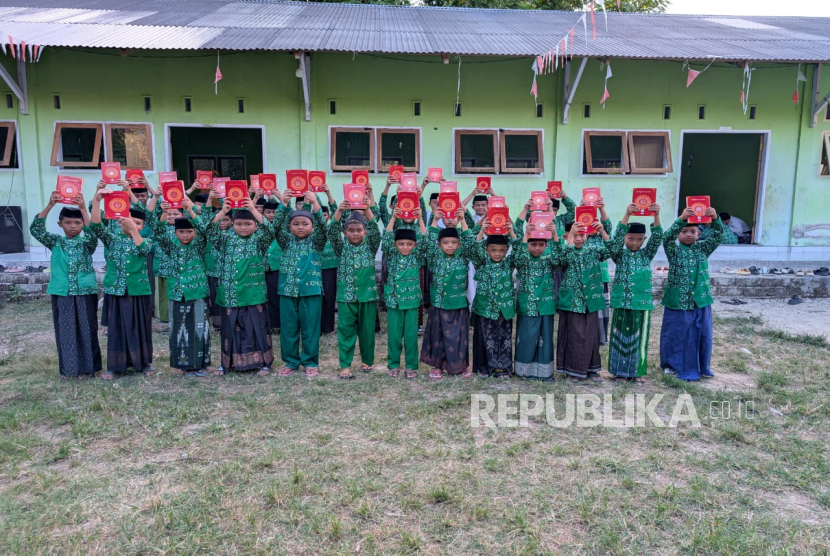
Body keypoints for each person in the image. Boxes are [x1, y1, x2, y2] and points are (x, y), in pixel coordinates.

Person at [30, 192, 101, 380]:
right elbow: (36, 230)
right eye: (68, 223)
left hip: (85, 290)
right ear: (60, 224)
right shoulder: (56, 241)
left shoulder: (87, 243)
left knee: (87, 330)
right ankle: (69, 370)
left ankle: (89, 369)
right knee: (66, 331)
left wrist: (84, 209)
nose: (73, 226)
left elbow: (94, 231)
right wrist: (50, 204)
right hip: (62, 291)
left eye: (77, 223)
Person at [90, 188, 155, 380]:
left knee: (141, 328)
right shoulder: (112, 239)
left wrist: (133, 230)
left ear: (142, 226)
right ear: (119, 222)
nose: (133, 224)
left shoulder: (147, 240)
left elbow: (143, 250)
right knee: (117, 329)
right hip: (116, 290)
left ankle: (144, 363)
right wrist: (96, 200)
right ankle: (115, 366)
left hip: (138, 290)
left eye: (138, 223)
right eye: (130, 221)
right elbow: (95, 226)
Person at [207, 197, 276, 376]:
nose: (243, 227)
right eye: (238, 223)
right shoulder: (225, 240)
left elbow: (270, 230)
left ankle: (264, 363)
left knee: (257, 327)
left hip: (253, 293)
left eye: (248, 224)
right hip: (230, 293)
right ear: (233, 224)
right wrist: (222, 212)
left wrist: (253, 210)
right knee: (229, 329)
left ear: (255, 226)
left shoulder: (258, 241)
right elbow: (209, 231)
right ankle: (226, 364)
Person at [660, 206, 724, 381]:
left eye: (693, 231)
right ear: (679, 234)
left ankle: (701, 366)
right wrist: (680, 219)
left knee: (701, 334)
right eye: (684, 231)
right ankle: (671, 365)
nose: (688, 234)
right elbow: (666, 238)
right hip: (678, 301)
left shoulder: (703, 249)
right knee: (675, 334)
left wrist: (715, 218)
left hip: (699, 300)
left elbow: (718, 235)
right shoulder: (673, 250)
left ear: (699, 234)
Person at [153, 197, 212, 377]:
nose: (185, 235)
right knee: (180, 328)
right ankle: (184, 364)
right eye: (181, 232)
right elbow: (159, 233)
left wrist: (191, 210)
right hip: (177, 292)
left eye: (189, 231)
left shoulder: (199, 245)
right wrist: (163, 213)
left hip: (197, 292)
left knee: (199, 328)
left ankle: (201, 364)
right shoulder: (170, 246)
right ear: (175, 233)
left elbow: (204, 230)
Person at [607, 203, 663, 382]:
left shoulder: (646, 254)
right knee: (618, 335)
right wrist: (626, 215)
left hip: (641, 302)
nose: (635, 243)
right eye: (630, 238)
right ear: (625, 238)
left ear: (644, 239)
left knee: (640, 337)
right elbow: (614, 241)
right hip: (621, 302)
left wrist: (656, 215)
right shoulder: (619, 254)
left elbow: (658, 237)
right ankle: (619, 371)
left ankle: (637, 372)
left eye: (639, 239)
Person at [275, 193, 327, 377]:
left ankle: (310, 361)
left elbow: (324, 228)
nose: (300, 227)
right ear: (289, 227)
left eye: (305, 224)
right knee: (288, 328)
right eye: (296, 224)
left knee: (310, 328)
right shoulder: (286, 241)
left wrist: (315, 203)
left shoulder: (317, 243)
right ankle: (291, 361)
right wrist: (284, 204)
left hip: (311, 291)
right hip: (287, 290)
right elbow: (276, 227)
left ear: (312, 227)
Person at [329, 199, 381, 379]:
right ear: (345, 233)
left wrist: (367, 209)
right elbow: (331, 232)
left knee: (367, 331)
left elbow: (376, 232)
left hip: (367, 295)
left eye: (359, 230)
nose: (355, 233)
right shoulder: (341, 247)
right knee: (346, 330)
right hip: (346, 296)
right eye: (351, 231)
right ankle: (345, 365)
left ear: (364, 232)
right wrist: (338, 211)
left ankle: (367, 360)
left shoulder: (370, 246)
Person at [421, 208, 473, 379]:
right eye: (445, 243)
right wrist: (435, 221)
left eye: (453, 242)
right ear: (439, 245)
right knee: (438, 336)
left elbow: (471, 243)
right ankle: (437, 366)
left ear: (459, 244)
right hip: (439, 304)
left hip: (458, 304)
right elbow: (428, 241)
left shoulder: (463, 256)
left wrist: (463, 220)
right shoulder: (435, 257)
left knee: (459, 337)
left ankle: (461, 366)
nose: (450, 246)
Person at [556, 221, 611, 381]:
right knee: (573, 335)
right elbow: (560, 260)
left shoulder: (593, 251)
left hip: (590, 300)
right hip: (572, 301)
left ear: (587, 235)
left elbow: (613, 250)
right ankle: (572, 370)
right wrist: (570, 237)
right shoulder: (567, 251)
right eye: (575, 235)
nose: (578, 239)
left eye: (581, 235)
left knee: (591, 335)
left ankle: (591, 369)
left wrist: (602, 230)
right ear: (568, 236)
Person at [467, 219, 518, 379]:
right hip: (485, 307)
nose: (497, 253)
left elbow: (521, 252)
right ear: (487, 249)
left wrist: (511, 233)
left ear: (506, 250)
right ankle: (484, 368)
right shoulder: (481, 262)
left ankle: (503, 369)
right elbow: (473, 248)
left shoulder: (509, 263)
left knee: (504, 338)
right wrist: (482, 231)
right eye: (493, 250)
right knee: (485, 337)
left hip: (504, 308)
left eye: (501, 250)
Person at [513, 219, 562, 381]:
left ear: (546, 246)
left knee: (545, 339)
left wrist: (555, 235)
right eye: (533, 245)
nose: (537, 248)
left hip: (546, 305)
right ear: (527, 245)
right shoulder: (523, 261)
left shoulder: (549, 261)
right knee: (527, 338)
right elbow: (517, 258)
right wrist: (526, 235)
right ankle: (523, 370)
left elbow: (559, 259)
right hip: (527, 305)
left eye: (541, 245)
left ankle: (544, 372)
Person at [382, 207, 427, 379]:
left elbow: (425, 240)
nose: (405, 247)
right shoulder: (392, 254)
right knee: (394, 335)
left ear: (414, 245)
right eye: (401, 244)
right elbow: (386, 239)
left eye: (409, 244)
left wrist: (421, 218)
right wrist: (393, 217)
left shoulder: (416, 256)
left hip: (412, 302)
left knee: (410, 336)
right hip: (394, 301)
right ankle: (393, 364)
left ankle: (411, 366)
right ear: (396, 244)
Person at [581, 197, 613, 346]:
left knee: (603, 309)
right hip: (585, 279)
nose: (591, 223)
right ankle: (589, 334)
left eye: (594, 221)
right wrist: (581, 211)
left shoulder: (602, 237)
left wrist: (601, 208)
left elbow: (608, 225)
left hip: (602, 277)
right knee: (588, 308)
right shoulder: (582, 238)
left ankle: (602, 338)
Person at [201, 190, 230, 331]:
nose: (222, 222)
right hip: (212, 270)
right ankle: (217, 324)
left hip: (227, 272)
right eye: (220, 219)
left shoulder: (233, 234)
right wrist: (210, 198)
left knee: (226, 297)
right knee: (214, 297)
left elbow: (236, 212)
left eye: (226, 219)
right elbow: (207, 219)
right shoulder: (211, 233)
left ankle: (229, 321)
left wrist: (227, 199)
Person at [260, 195, 283, 332]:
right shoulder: (259, 227)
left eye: (274, 212)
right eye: (268, 212)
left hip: (277, 266)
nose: (271, 215)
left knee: (276, 296)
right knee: (265, 296)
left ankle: (277, 325)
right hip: (263, 266)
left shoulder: (282, 227)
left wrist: (278, 196)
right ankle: (267, 325)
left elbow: (289, 211)